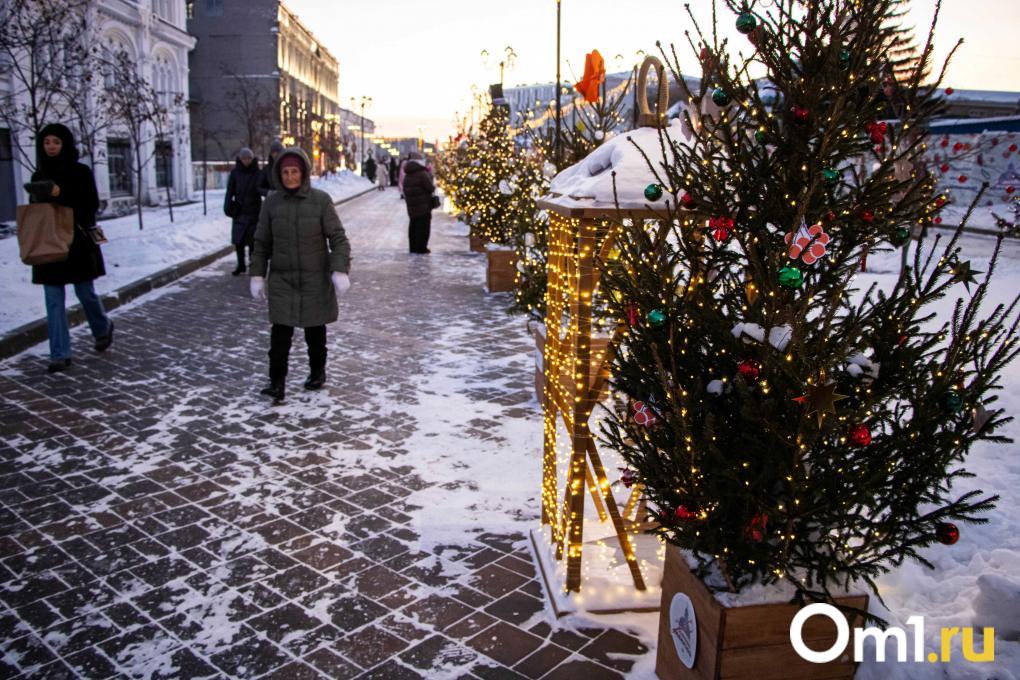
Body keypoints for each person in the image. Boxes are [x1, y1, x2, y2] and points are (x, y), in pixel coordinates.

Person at [249, 148, 351, 403]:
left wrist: (339, 269)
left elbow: (338, 239)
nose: (290, 177)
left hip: (314, 278)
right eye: (285, 172)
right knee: (280, 335)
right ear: (279, 174)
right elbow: (261, 243)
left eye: (294, 171)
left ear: (303, 172)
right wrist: (257, 275)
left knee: (314, 332)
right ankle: (277, 382)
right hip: (282, 279)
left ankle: (317, 372)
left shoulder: (320, 201)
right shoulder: (271, 203)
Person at [30, 123, 113, 373]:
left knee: (85, 292)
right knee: (53, 300)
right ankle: (59, 354)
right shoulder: (39, 175)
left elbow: (90, 207)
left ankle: (102, 327)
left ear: (65, 144)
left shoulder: (80, 172)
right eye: (46, 142)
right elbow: (38, 213)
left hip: (77, 243)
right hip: (48, 243)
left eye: (56, 142)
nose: (51, 147)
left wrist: (60, 194)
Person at [223, 147, 262, 275]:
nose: (246, 161)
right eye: (244, 158)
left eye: (249, 158)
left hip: (254, 211)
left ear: (252, 159)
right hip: (239, 211)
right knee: (238, 241)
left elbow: (261, 188)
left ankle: (252, 265)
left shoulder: (257, 173)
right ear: (240, 159)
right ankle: (241, 265)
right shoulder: (235, 173)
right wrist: (228, 207)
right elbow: (230, 191)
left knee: (252, 241)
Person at [402, 151, 435, 254]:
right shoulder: (422, 173)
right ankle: (421, 248)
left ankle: (413, 247)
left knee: (413, 226)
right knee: (423, 227)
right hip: (423, 205)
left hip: (412, 205)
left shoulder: (408, 174)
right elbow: (430, 187)